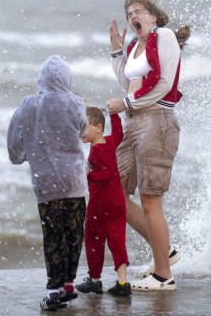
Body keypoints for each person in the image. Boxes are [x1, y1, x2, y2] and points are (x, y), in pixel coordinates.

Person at [106, 0, 190, 291]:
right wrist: (117, 52)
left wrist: (127, 104)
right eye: (129, 13)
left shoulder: (163, 36)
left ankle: (164, 276)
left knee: (150, 199)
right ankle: (164, 251)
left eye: (138, 11)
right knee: (114, 191)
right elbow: (129, 83)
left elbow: (165, 83)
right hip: (135, 123)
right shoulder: (136, 47)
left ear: (153, 15)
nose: (133, 17)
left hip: (157, 121)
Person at [7, 55, 88, 311]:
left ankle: (54, 290)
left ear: (40, 79)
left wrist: (21, 156)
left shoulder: (28, 105)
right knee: (74, 235)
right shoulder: (76, 103)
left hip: (46, 184)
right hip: (74, 181)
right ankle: (68, 284)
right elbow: (83, 129)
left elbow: (14, 144)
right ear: (67, 79)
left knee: (53, 236)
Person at [75, 106, 131, 297]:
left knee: (93, 240)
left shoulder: (99, 150)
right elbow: (119, 133)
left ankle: (95, 280)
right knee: (117, 241)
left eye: (83, 126)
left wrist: (89, 176)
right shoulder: (109, 142)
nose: (79, 130)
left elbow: (108, 173)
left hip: (100, 204)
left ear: (98, 127)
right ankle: (122, 282)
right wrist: (114, 114)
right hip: (116, 204)